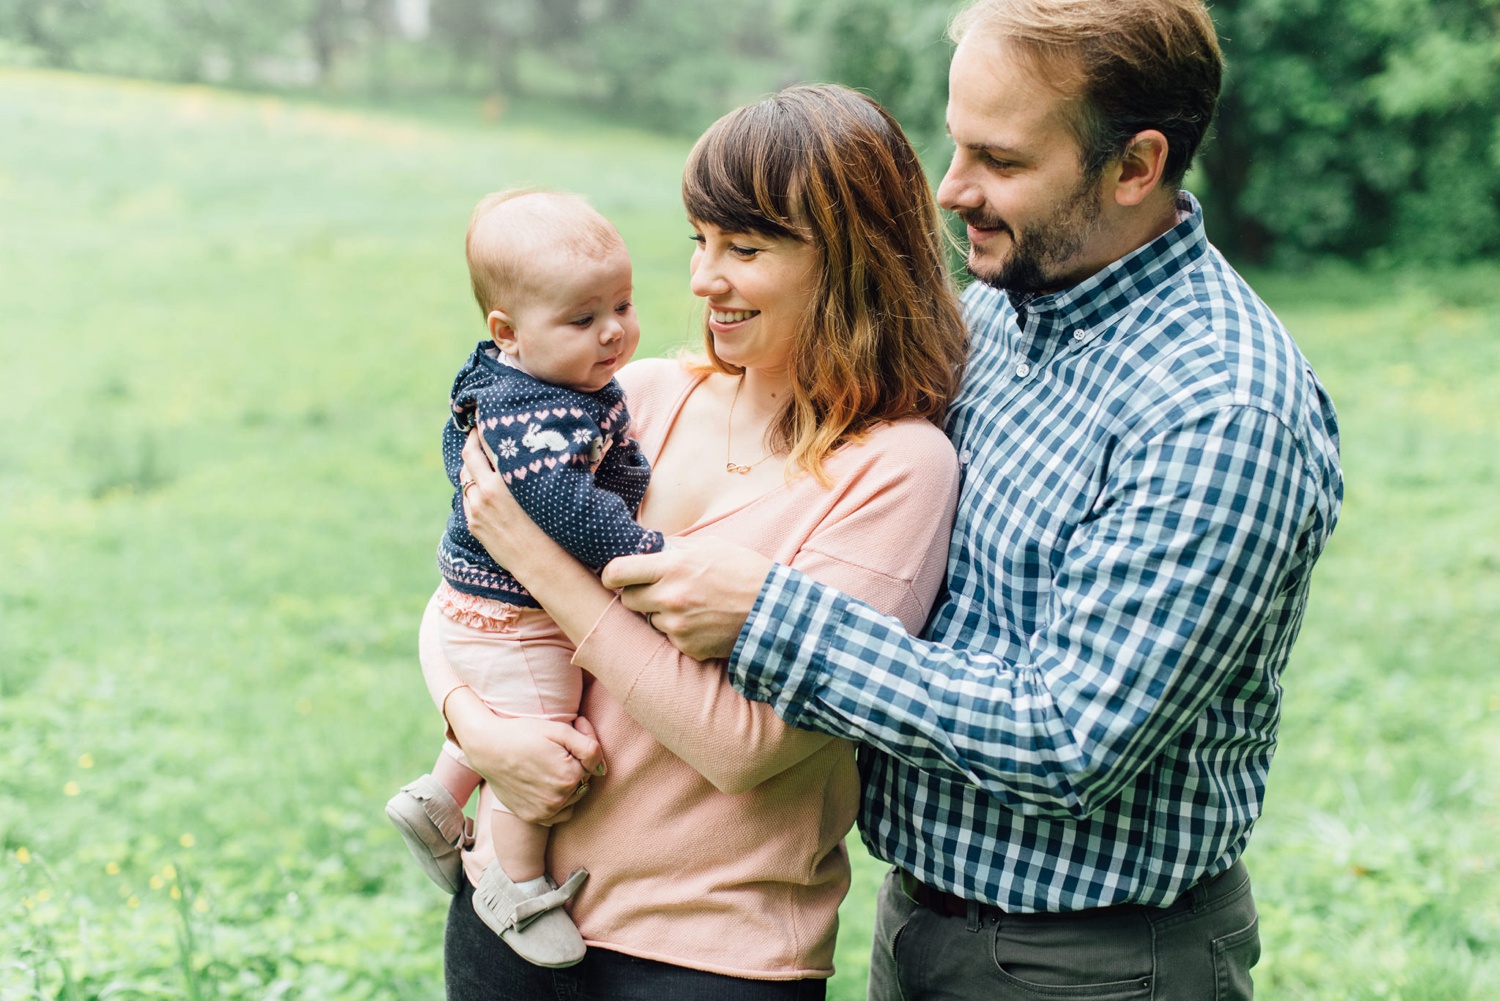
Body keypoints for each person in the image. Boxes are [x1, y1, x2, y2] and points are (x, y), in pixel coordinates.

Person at [599, 1, 1345, 998]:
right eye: (956, 146)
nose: (953, 191)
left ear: (1135, 167)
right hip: (920, 917)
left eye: (999, 159)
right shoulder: (999, 304)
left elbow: (1073, 737)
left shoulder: (1220, 407)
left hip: (1092, 961)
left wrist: (772, 619)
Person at [437, 83, 970, 998]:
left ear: (847, 262)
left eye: (744, 248)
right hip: (507, 909)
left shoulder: (897, 469)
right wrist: (477, 729)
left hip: (707, 955)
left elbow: (746, 743)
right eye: (700, 241)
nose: (701, 280)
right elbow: (471, 599)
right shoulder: (637, 394)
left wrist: (543, 562)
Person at [386, 189, 665, 968]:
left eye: (623, 303)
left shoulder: (532, 385)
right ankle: (512, 880)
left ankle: (439, 798)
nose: (614, 331)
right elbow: (567, 507)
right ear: (507, 332)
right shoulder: (536, 417)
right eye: (583, 320)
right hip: (516, 616)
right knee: (541, 727)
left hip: (471, 603)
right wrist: (645, 546)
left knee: (503, 708)